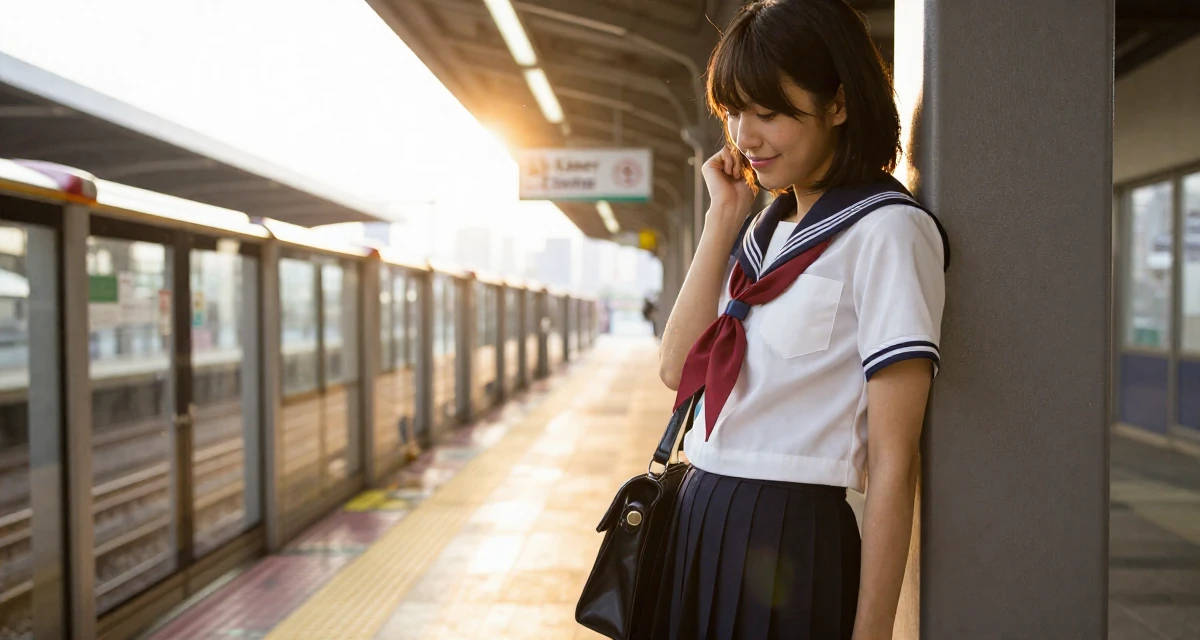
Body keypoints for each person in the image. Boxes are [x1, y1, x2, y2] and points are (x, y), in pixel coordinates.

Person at [654, 1, 948, 638]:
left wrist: (872, 634)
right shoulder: (764, 233)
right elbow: (677, 369)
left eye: (768, 113)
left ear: (838, 104)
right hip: (700, 515)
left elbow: (897, 462)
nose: (744, 136)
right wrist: (721, 220)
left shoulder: (886, 232)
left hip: (791, 529)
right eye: (733, 111)